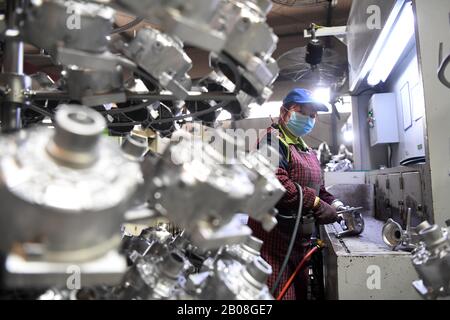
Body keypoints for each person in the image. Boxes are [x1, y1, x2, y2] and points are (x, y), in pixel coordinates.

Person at [248, 88, 346, 300]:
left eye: (312, 115)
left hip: (298, 245)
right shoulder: (271, 142)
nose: (309, 119)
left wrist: (334, 203)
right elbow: (276, 183)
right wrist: (318, 204)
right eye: (303, 112)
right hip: (272, 244)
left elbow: (317, 187)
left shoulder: (306, 149)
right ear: (285, 112)